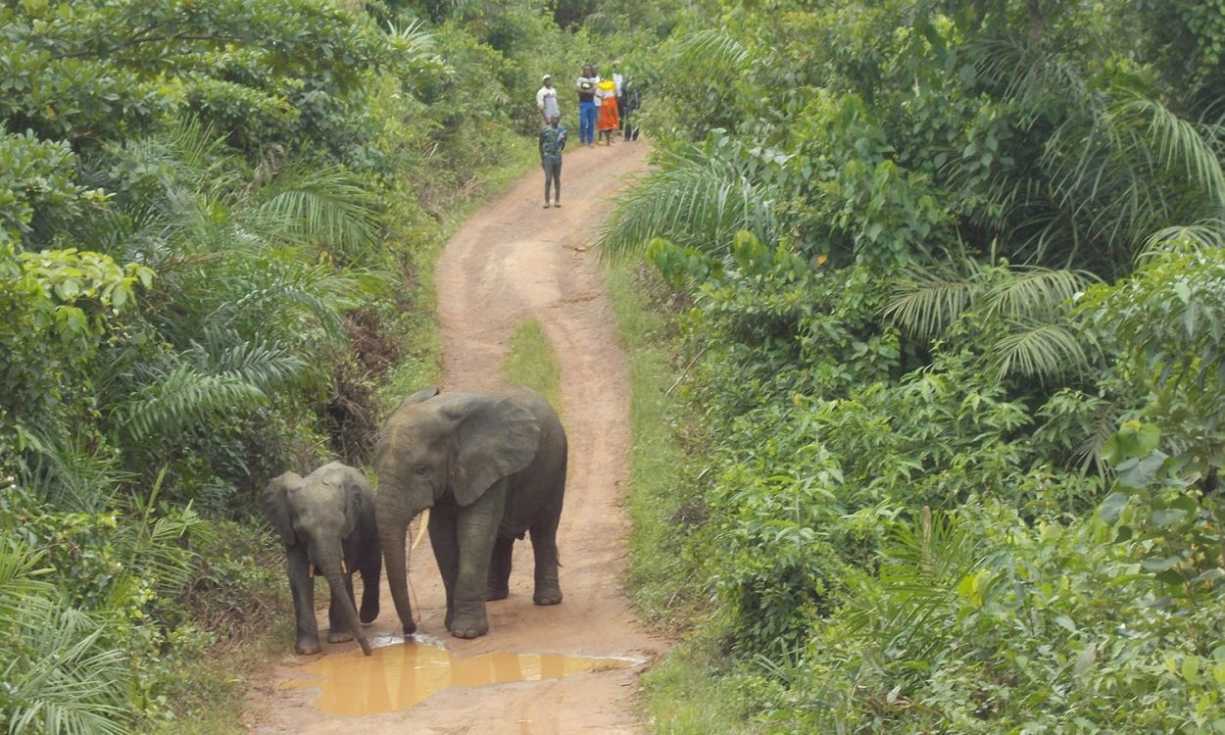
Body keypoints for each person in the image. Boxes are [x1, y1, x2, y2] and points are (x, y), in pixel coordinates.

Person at [539, 115, 566, 208]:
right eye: (553, 119)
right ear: (550, 120)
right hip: (547, 157)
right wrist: (542, 158)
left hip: (557, 157)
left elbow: (563, 144)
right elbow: (540, 144)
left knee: (557, 179)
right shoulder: (544, 131)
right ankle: (546, 201)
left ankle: (557, 200)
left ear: (559, 120)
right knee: (548, 179)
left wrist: (558, 150)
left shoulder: (562, 131)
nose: (555, 120)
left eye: (556, 119)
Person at [576, 64, 599, 146]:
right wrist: (587, 91)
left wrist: (584, 91)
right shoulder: (580, 79)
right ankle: (582, 139)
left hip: (591, 102)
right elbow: (578, 90)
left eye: (589, 70)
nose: (587, 71)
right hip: (583, 102)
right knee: (583, 121)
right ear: (583, 71)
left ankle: (590, 140)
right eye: (586, 70)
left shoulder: (593, 80)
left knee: (591, 122)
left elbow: (594, 90)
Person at [596, 76, 619, 145]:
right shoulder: (609, 84)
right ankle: (608, 139)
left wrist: (602, 98)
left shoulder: (603, 85)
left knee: (607, 120)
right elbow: (616, 93)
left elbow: (598, 95)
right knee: (609, 120)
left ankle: (608, 139)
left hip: (607, 102)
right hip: (610, 102)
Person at [611, 61, 625, 134]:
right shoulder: (612, 75)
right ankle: (614, 128)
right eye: (616, 66)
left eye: (619, 66)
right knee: (614, 113)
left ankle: (620, 129)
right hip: (613, 96)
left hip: (621, 96)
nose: (618, 67)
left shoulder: (622, 75)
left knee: (621, 113)